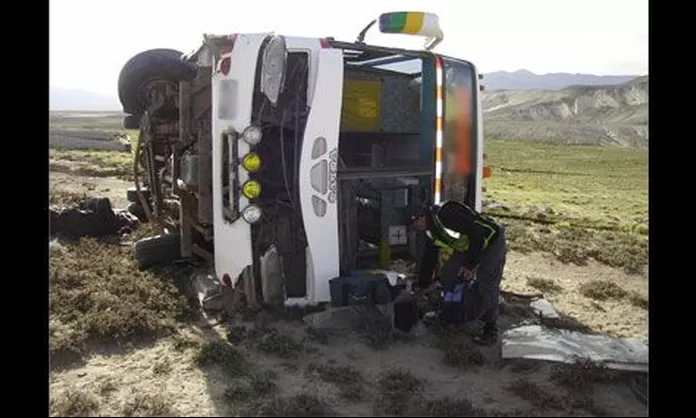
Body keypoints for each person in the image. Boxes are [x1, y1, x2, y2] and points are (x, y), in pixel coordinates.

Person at [409, 200, 507, 346]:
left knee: (486, 286)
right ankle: (450, 314)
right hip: (468, 248)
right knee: (449, 276)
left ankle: (490, 329)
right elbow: (429, 259)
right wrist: (423, 286)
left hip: (490, 243)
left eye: (414, 225)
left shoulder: (446, 214)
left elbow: (477, 233)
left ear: (421, 217)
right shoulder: (430, 231)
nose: (415, 229)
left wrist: (469, 266)